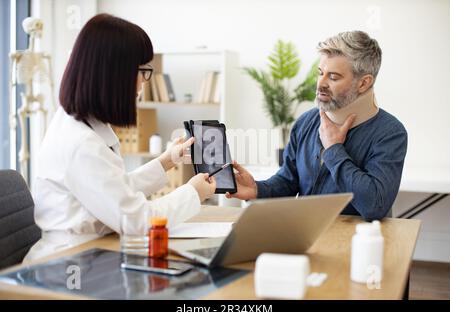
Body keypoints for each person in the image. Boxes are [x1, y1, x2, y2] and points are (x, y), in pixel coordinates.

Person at [24, 14, 216, 261]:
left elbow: (115, 189)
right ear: (116, 74)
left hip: (91, 250)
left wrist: (166, 161)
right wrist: (192, 192)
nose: (144, 82)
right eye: (143, 71)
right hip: (70, 265)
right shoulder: (82, 144)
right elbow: (139, 221)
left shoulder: (80, 123)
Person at [227, 31, 407, 221]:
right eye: (320, 73)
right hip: (306, 235)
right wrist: (256, 189)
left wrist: (333, 149)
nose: (321, 83)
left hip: (358, 243)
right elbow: (288, 182)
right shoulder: (306, 122)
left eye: (334, 77)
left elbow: (374, 206)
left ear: (363, 83)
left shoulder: (390, 133)